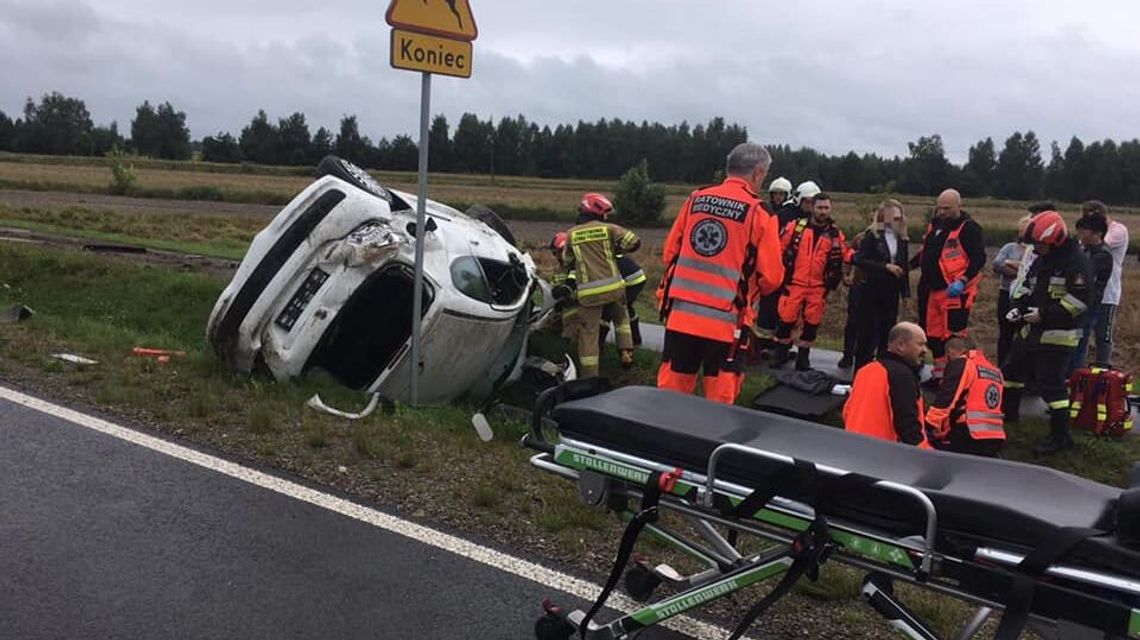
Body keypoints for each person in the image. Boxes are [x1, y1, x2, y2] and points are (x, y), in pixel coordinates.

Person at [657, 142, 784, 404]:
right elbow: (772, 277)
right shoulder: (759, 212)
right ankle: (707, 446)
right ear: (758, 173)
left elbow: (670, 252)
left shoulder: (696, 198)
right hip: (727, 324)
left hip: (680, 316)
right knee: (719, 403)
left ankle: (660, 442)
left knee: (670, 395)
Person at [1002, 211, 1094, 454]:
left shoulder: (1076, 262)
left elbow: (1079, 301)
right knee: (1012, 368)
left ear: (1056, 239)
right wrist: (1016, 308)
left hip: (1059, 332)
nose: (1037, 249)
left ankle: (1061, 435)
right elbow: (1026, 285)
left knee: (1051, 383)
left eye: (1040, 244)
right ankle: (1008, 414)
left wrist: (1044, 314)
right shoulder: (1044, 258)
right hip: (1033, 326)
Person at [561, 193, 640, 377]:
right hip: (614, 289)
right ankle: (626, 353)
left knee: (589, 333)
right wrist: (616, 249)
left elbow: (566, 260)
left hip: (588, 294)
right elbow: (635, 242)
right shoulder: (610, 229)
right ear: (600, 213)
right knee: (621, 319)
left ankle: (590, 376)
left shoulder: (572, 234)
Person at [913, 189, 985, 385]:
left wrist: (963, 280)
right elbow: (925, 253)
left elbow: (979, 258)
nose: (943, 212)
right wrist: (906, 267)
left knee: (953, 337)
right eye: (940, 208)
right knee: (933, 334)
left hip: (954, 290)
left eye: (947, 208)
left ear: (958, 206)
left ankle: (955, 379)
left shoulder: (969, 228)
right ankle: (939, 376)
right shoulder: (935, 225)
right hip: (931, 288)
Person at [772, 193, 849, 371]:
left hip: (818, 287)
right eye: (820, 208)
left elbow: (845, 254)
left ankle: (803, 358)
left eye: (826, 208)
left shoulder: (835, 235)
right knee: (785, 320)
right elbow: (779, 248)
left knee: (811, 324)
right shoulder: (795, 228)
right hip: (794, 284)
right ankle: (781, 354)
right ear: (812, 208)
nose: (823, 212)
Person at [842, 321, 931, 448]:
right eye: (920, 344)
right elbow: (908, 425)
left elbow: (848, 411)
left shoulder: (865, 370)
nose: (925, 350)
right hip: (883, 456)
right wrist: (927, 456)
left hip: (852, 449)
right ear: (900, 345)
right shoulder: (902, 376)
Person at [850, 199, 910, 369]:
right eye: (893, 217)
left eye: (898, 218)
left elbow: (903, 265)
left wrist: (905, 293)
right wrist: (885, 267)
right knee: (867, 335)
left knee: (887, 333)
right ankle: (861, 373)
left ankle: (882, 373)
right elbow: (860, 260)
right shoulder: (872, 235)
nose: (895, 221)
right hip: (871, 290)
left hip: (891, 292)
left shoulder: (902, 239)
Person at [924, 335, 1006, 457]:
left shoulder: (962, 364)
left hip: (969, 434)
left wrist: (927, 425)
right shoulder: (995, 371)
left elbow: (946, 399)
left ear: (951, 351)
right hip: (996, 435)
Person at [1080, 200, 1129, 366]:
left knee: (1103, 335)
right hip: (1090, 292)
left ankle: (1102, 368)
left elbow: (1098, 242)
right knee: (1083, 334)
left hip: (1108, 293)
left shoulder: (1118, 231)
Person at [1066, 214, 1113, 375]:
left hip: (1088, 307)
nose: (1080, 236)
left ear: (1097, 233)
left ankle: (1075, 378)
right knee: (1069, 343)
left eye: (1083, 232)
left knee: (1078, 343)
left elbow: (1084, 275)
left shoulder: (1102, 254)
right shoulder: (1084, 250)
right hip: (1075, 303)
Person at [992, 216, 1032, 366]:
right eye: (1022, 230)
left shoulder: (1034, 251)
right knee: (1005, 333)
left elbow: (1032, 269)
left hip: (1025, 297)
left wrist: (1014, 265)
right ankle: (1002, 365)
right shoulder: (1009, 247)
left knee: (1023, 333)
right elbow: (997, 264)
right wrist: (1020, 270)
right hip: (1006, 293)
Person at [548, 232, 581, 343]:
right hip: (563, 308)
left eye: (558, 252)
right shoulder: (559, 269)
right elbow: (554, 284)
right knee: (541, 329)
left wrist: (567, 294)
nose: (556, 256)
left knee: (569, 338)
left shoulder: (579, 265)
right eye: (554, 253)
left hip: (577, 308)